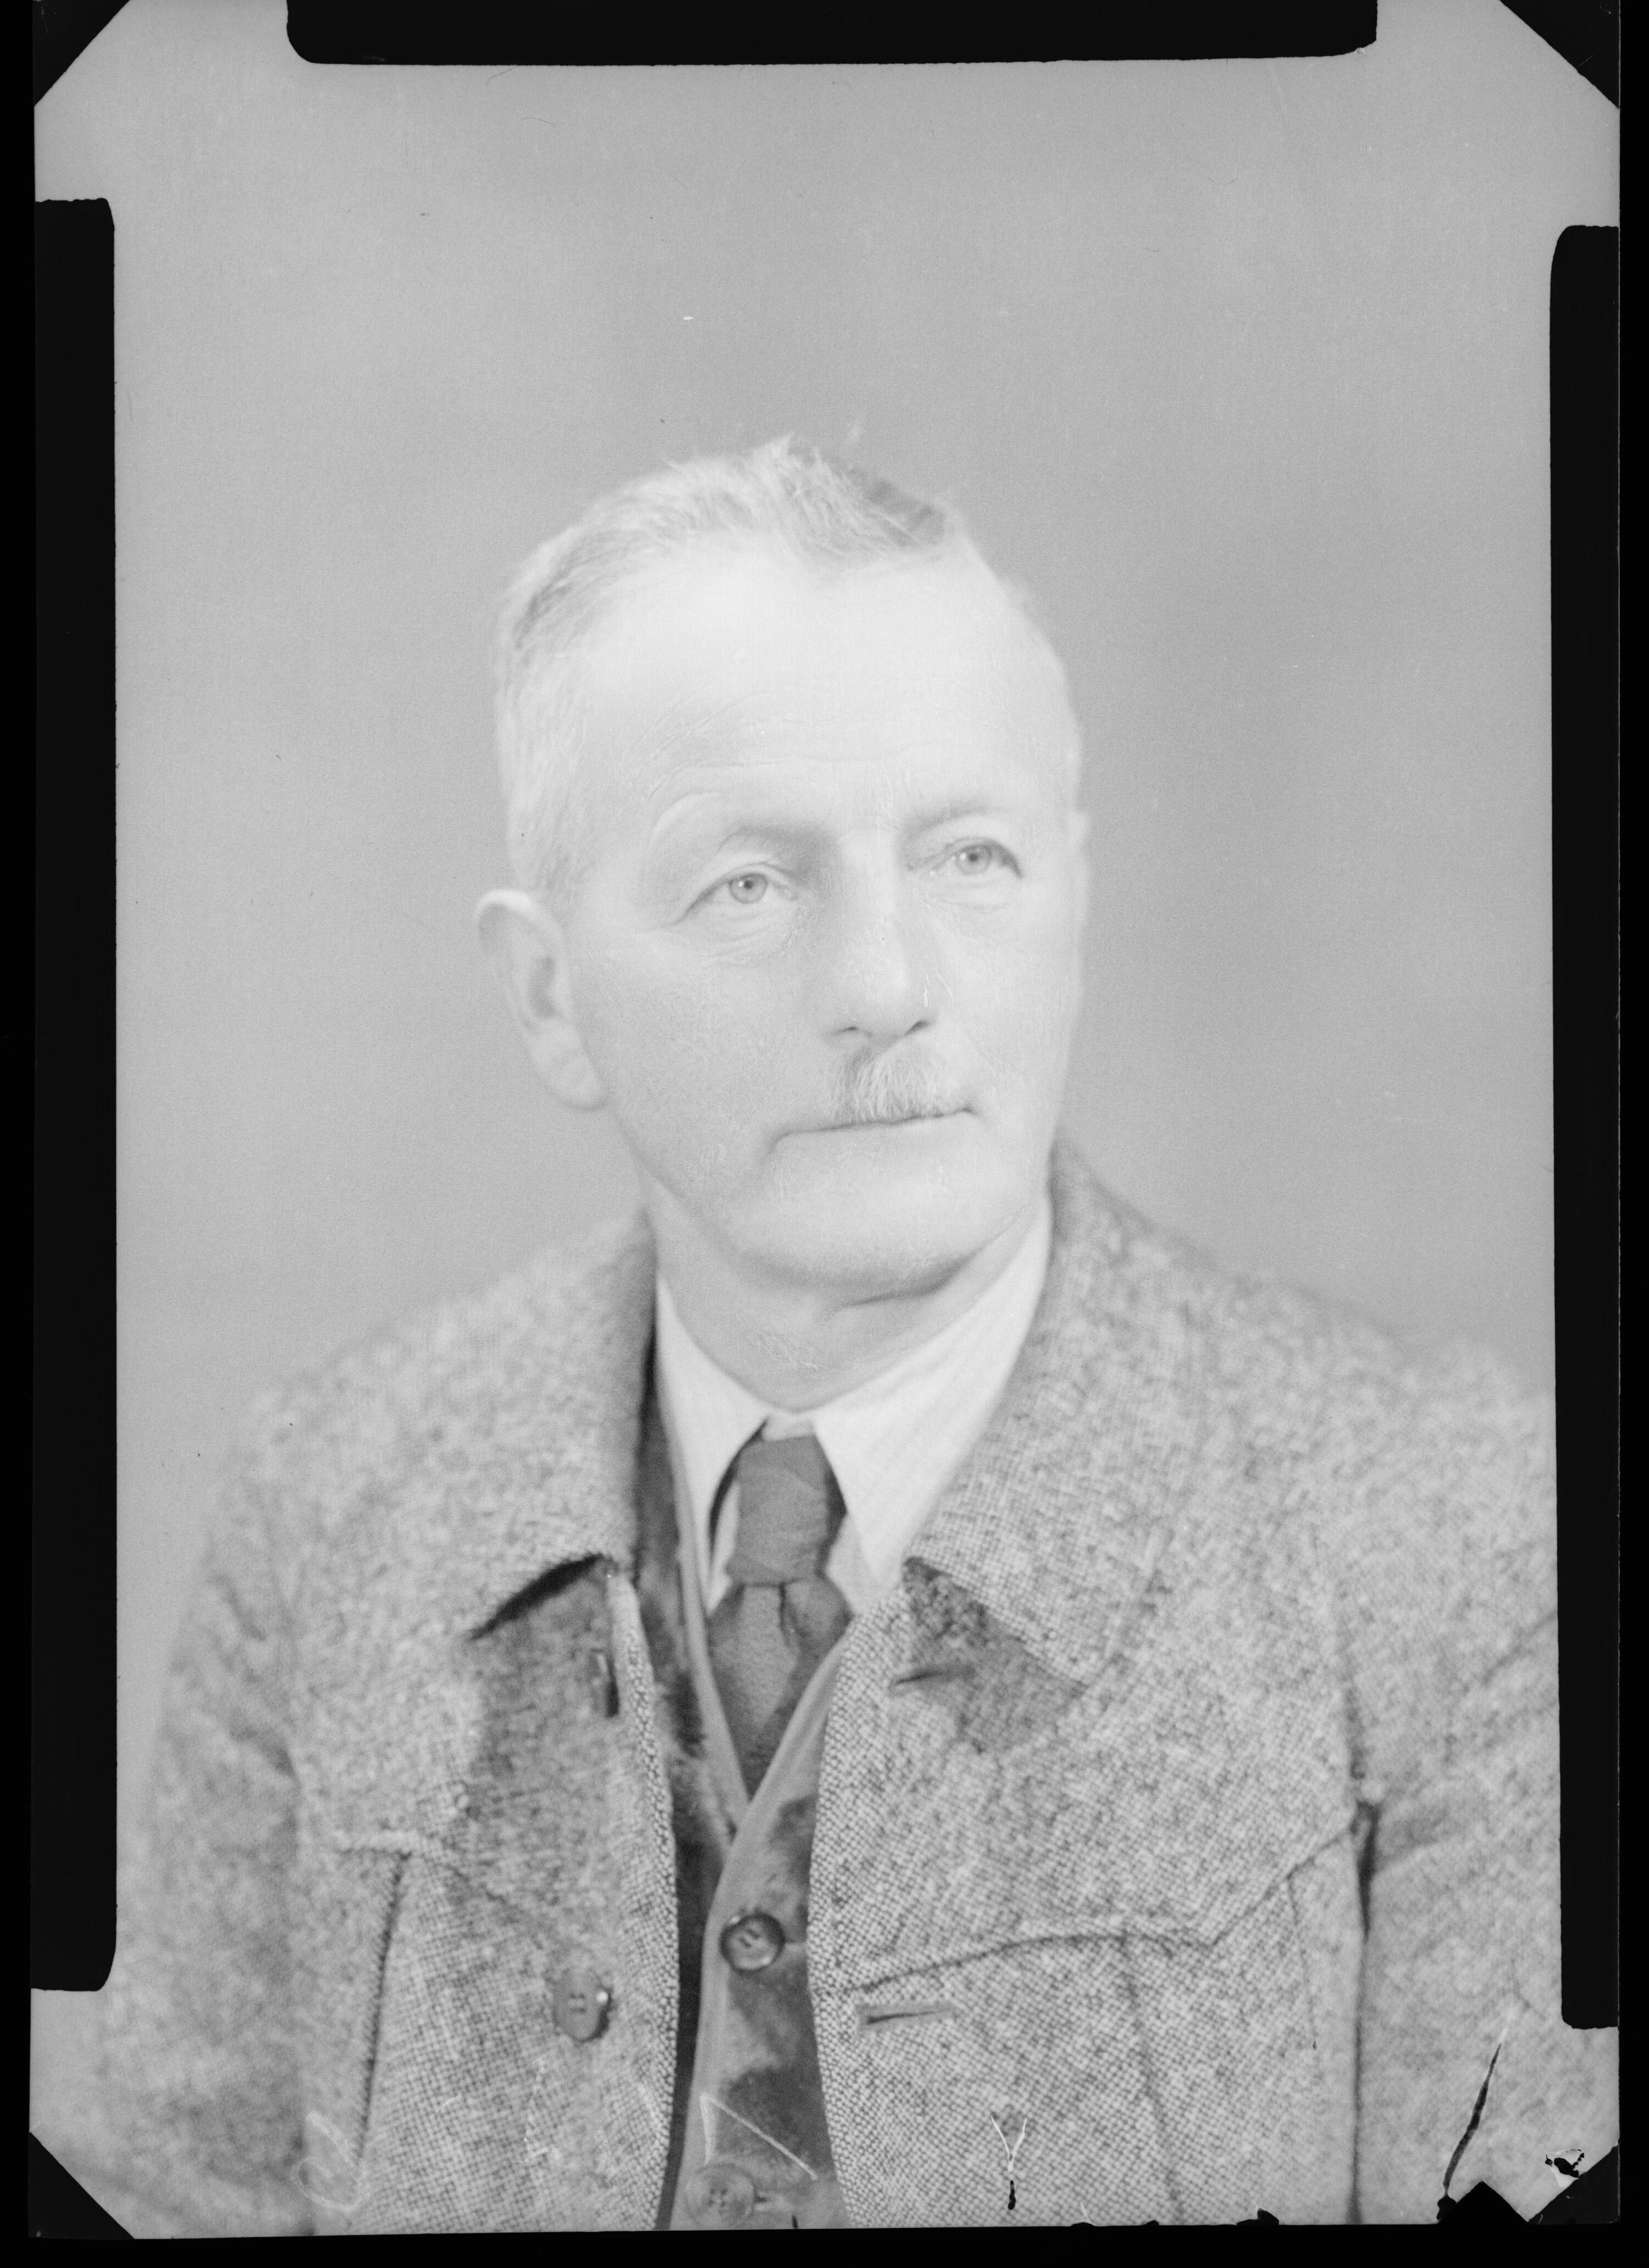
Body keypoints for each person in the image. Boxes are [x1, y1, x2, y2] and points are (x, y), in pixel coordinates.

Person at [47, 438, 1614, 2230]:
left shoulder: (1460, 1530)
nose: (887, 985)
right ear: (550, 998)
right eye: (751, 884)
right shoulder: (327, 1502)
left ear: (1075, 903)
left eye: (971, 856)